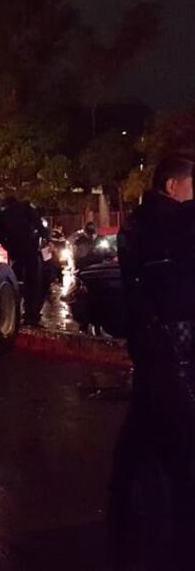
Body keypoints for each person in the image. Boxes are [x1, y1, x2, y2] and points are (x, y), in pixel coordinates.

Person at [109, 155, 195, 569]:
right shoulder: (170, 222)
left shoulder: (139, 222)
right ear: (175, 185)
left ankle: (125, 511)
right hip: (171, 338)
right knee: (178, 432)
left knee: (145, 424)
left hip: (149, 338)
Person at [0, 195, 50, 325]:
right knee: (33, 283)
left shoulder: (2, 215)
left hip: (16, 253)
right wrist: (46, 238)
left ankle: (13, 313)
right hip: (30, 251)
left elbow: (2, 238)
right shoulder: (26, 208)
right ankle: (31, 314)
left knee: (14, 283)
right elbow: (38, 224)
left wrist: (10, 248)